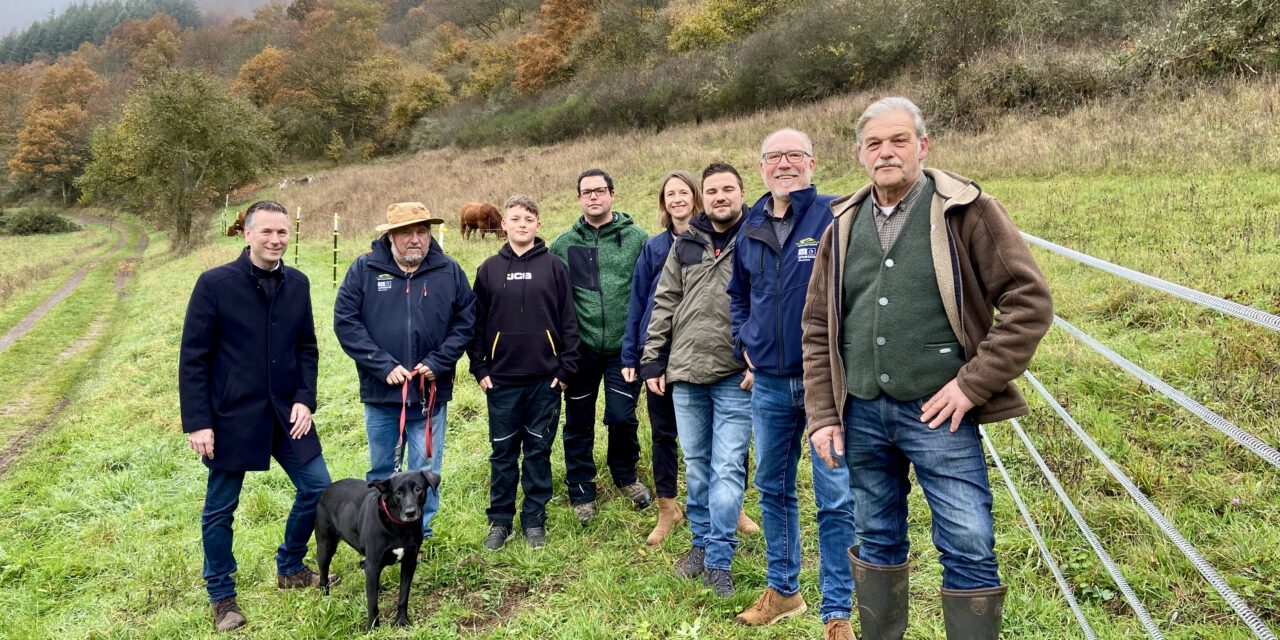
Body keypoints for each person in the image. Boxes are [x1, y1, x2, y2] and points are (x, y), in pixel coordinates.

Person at [803, 97, 1053, 639]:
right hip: (862, 414)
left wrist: (971, 385)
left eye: (898, 141)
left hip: (940, 414)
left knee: (967, 541)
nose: (886, 152)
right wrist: (823, 414)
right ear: (860, 155)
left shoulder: (967, 210)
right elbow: (819, 327)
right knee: (876, 539)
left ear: (922, 146)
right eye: (874, 144)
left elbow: (1028, 303)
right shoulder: (841, 226)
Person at [179, 200, 335, 632]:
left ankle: (290, 566)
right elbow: (194, 356)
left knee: (318, 487)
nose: (275, 240)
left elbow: (307, 346)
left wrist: (305, 398)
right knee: (220, 509)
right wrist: (197, 421)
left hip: (288, 412)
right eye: (266, 232)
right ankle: (222, 596)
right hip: (231, 415)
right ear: (246, 234)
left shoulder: (298, 283)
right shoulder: (215, 284)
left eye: (282, 232)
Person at [729, 129, 858, 640]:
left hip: (825, 381)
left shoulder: (835, 215)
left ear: (812, 162)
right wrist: (747, 339)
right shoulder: (751, 224)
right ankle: (783, 590)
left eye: (793, 155)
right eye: (773, 157)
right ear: (761, 167)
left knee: (834, 495)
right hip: (768, 383)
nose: (783, 164)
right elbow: (739, 292)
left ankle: (838, 611)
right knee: (773, 487)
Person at [641, 162, 752, 597]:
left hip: (734, 373)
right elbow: (664, 301)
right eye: (713, 190)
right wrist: (653, 359)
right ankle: (701, 544)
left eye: (729, 188)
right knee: (699, 466)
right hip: (685, 372)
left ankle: (719, 556)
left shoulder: (755, 238)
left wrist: (757, 358)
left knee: (727, 467)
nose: (721, 196)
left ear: (742, 193)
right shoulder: (685, 243)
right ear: (703, 197)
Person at [334, 202, 476, 540]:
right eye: (407, 232)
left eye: (422, 231)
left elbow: (467, 321)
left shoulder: (449, 271)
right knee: (383, 470)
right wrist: (383, 366)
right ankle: (381, 535)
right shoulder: (364, 270)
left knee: (425, 470)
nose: (416, 239)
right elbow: (346, 322)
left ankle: (418, 534)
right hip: (382, 394)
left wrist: (439, 362)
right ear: (391, 235)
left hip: (430, 395)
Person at [469, 194, 580, 550]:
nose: (521, 224)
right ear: (503, 224)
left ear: (538, 225)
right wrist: (480, 367)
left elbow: (569, 321)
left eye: (528, 219)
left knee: (537, 452)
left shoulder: (554, 267)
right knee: (502, 454)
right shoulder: (488, 269)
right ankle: (500, 522)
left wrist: (565, 369)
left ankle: (534, 519)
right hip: (500, 382)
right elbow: (475, 323)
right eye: (514, 218)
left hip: (545, 381)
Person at [550, 168, 651, 524]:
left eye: (600, 190)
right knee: (578, 420)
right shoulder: (563, 244)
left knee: (622, 416)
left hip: (624, 348)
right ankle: (581, 487)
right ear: (579, 198)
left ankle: (625, 473)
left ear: (612, 195)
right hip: (581, 349)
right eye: (587, 191)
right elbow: (555, 299)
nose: (594, 196)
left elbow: (650, 291)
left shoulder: (637, 238)